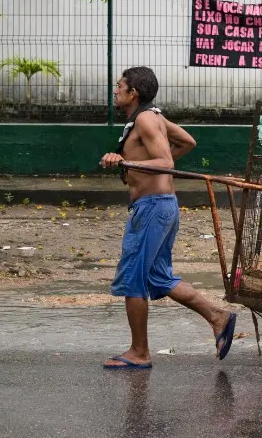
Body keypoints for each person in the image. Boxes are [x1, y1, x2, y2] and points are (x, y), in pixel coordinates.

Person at [98, 66, 236, 369]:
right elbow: (188, 142)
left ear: (134, 92)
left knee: (133, 278)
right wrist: (139, 164)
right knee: (158, 278)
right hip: (162, 206)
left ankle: (139, 352)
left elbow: (166, 160)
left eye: (119, 86)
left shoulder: (147, 119)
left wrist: (125, 160)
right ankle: (218, 317)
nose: (115, 90)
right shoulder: (154, 117)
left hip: (152, 208)